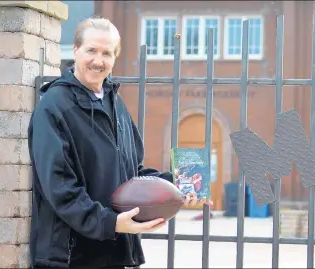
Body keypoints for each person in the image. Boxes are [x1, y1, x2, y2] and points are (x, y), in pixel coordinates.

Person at [28, 17, 211, 269]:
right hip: (69, 256)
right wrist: (109, 222)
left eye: (107, 53)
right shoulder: (54, 107)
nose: (98, 60)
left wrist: (179, 186)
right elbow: (59, 187)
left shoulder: (115, 104)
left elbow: (132, 174)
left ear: (115, 57)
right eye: (91, 50)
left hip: (113, 251)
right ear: (75, 50)